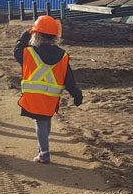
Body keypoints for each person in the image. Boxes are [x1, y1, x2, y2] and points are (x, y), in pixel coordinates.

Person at [13, 15, 83, 163]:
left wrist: (27, 32)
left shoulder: (28, 53)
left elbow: (17, 49)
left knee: (40, 122)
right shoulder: (63, 56)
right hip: (52, 97)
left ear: (36, 35)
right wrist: (77, 94)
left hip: (35, 96)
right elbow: (68, 79)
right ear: (55, 37)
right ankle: (43, 146)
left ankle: (44, 153)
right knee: (46, 118)